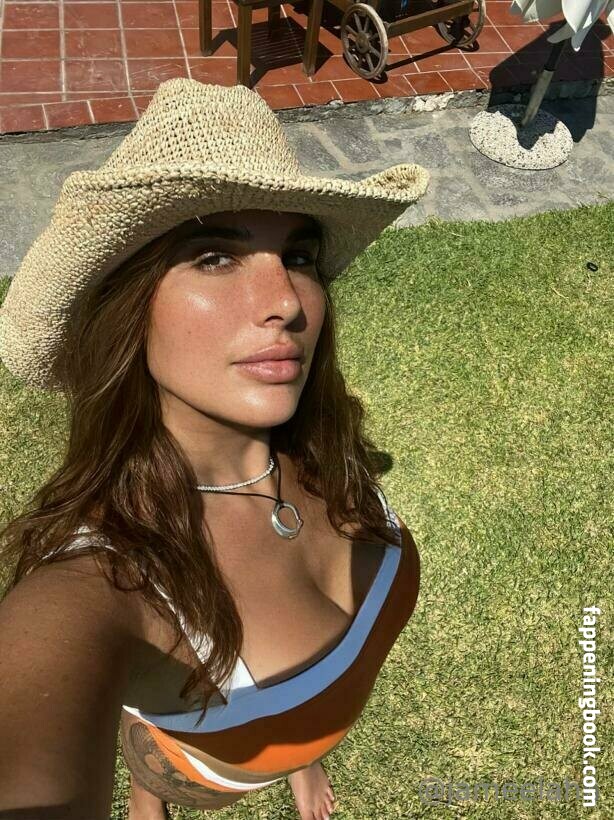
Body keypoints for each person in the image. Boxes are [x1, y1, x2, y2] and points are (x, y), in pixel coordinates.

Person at [0, 78, 428, 819]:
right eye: (213, 258)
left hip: (300, 736)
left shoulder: (320, 442)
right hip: (202, 771)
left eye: (299, 256)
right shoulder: (98, 585)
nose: (287, 301)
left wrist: (306, 743)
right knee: (154, 732)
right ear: (128, 311)